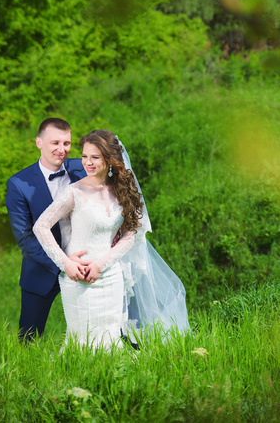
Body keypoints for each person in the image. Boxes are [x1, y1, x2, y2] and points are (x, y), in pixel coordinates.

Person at [33, 130, 189, 349]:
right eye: (84, 156)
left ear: (110, 159)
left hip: (111, 275)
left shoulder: (121, 191)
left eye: (94, 157)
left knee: (111, 342)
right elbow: (40, 226)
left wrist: (101, 264)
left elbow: (129, 235)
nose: (87, 162)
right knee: (82, 345)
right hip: (79, 277)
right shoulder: (74, 192)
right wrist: (66, 263)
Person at [6, 118, 89, 340]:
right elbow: (25, 238)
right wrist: (64, 262)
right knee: (29, 339)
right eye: (55, 143)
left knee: (98, 331)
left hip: (85, 264)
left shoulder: (82, 168)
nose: (61, 150)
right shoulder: (19, 184)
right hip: (43, 269)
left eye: (66, 143)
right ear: (39, 142)